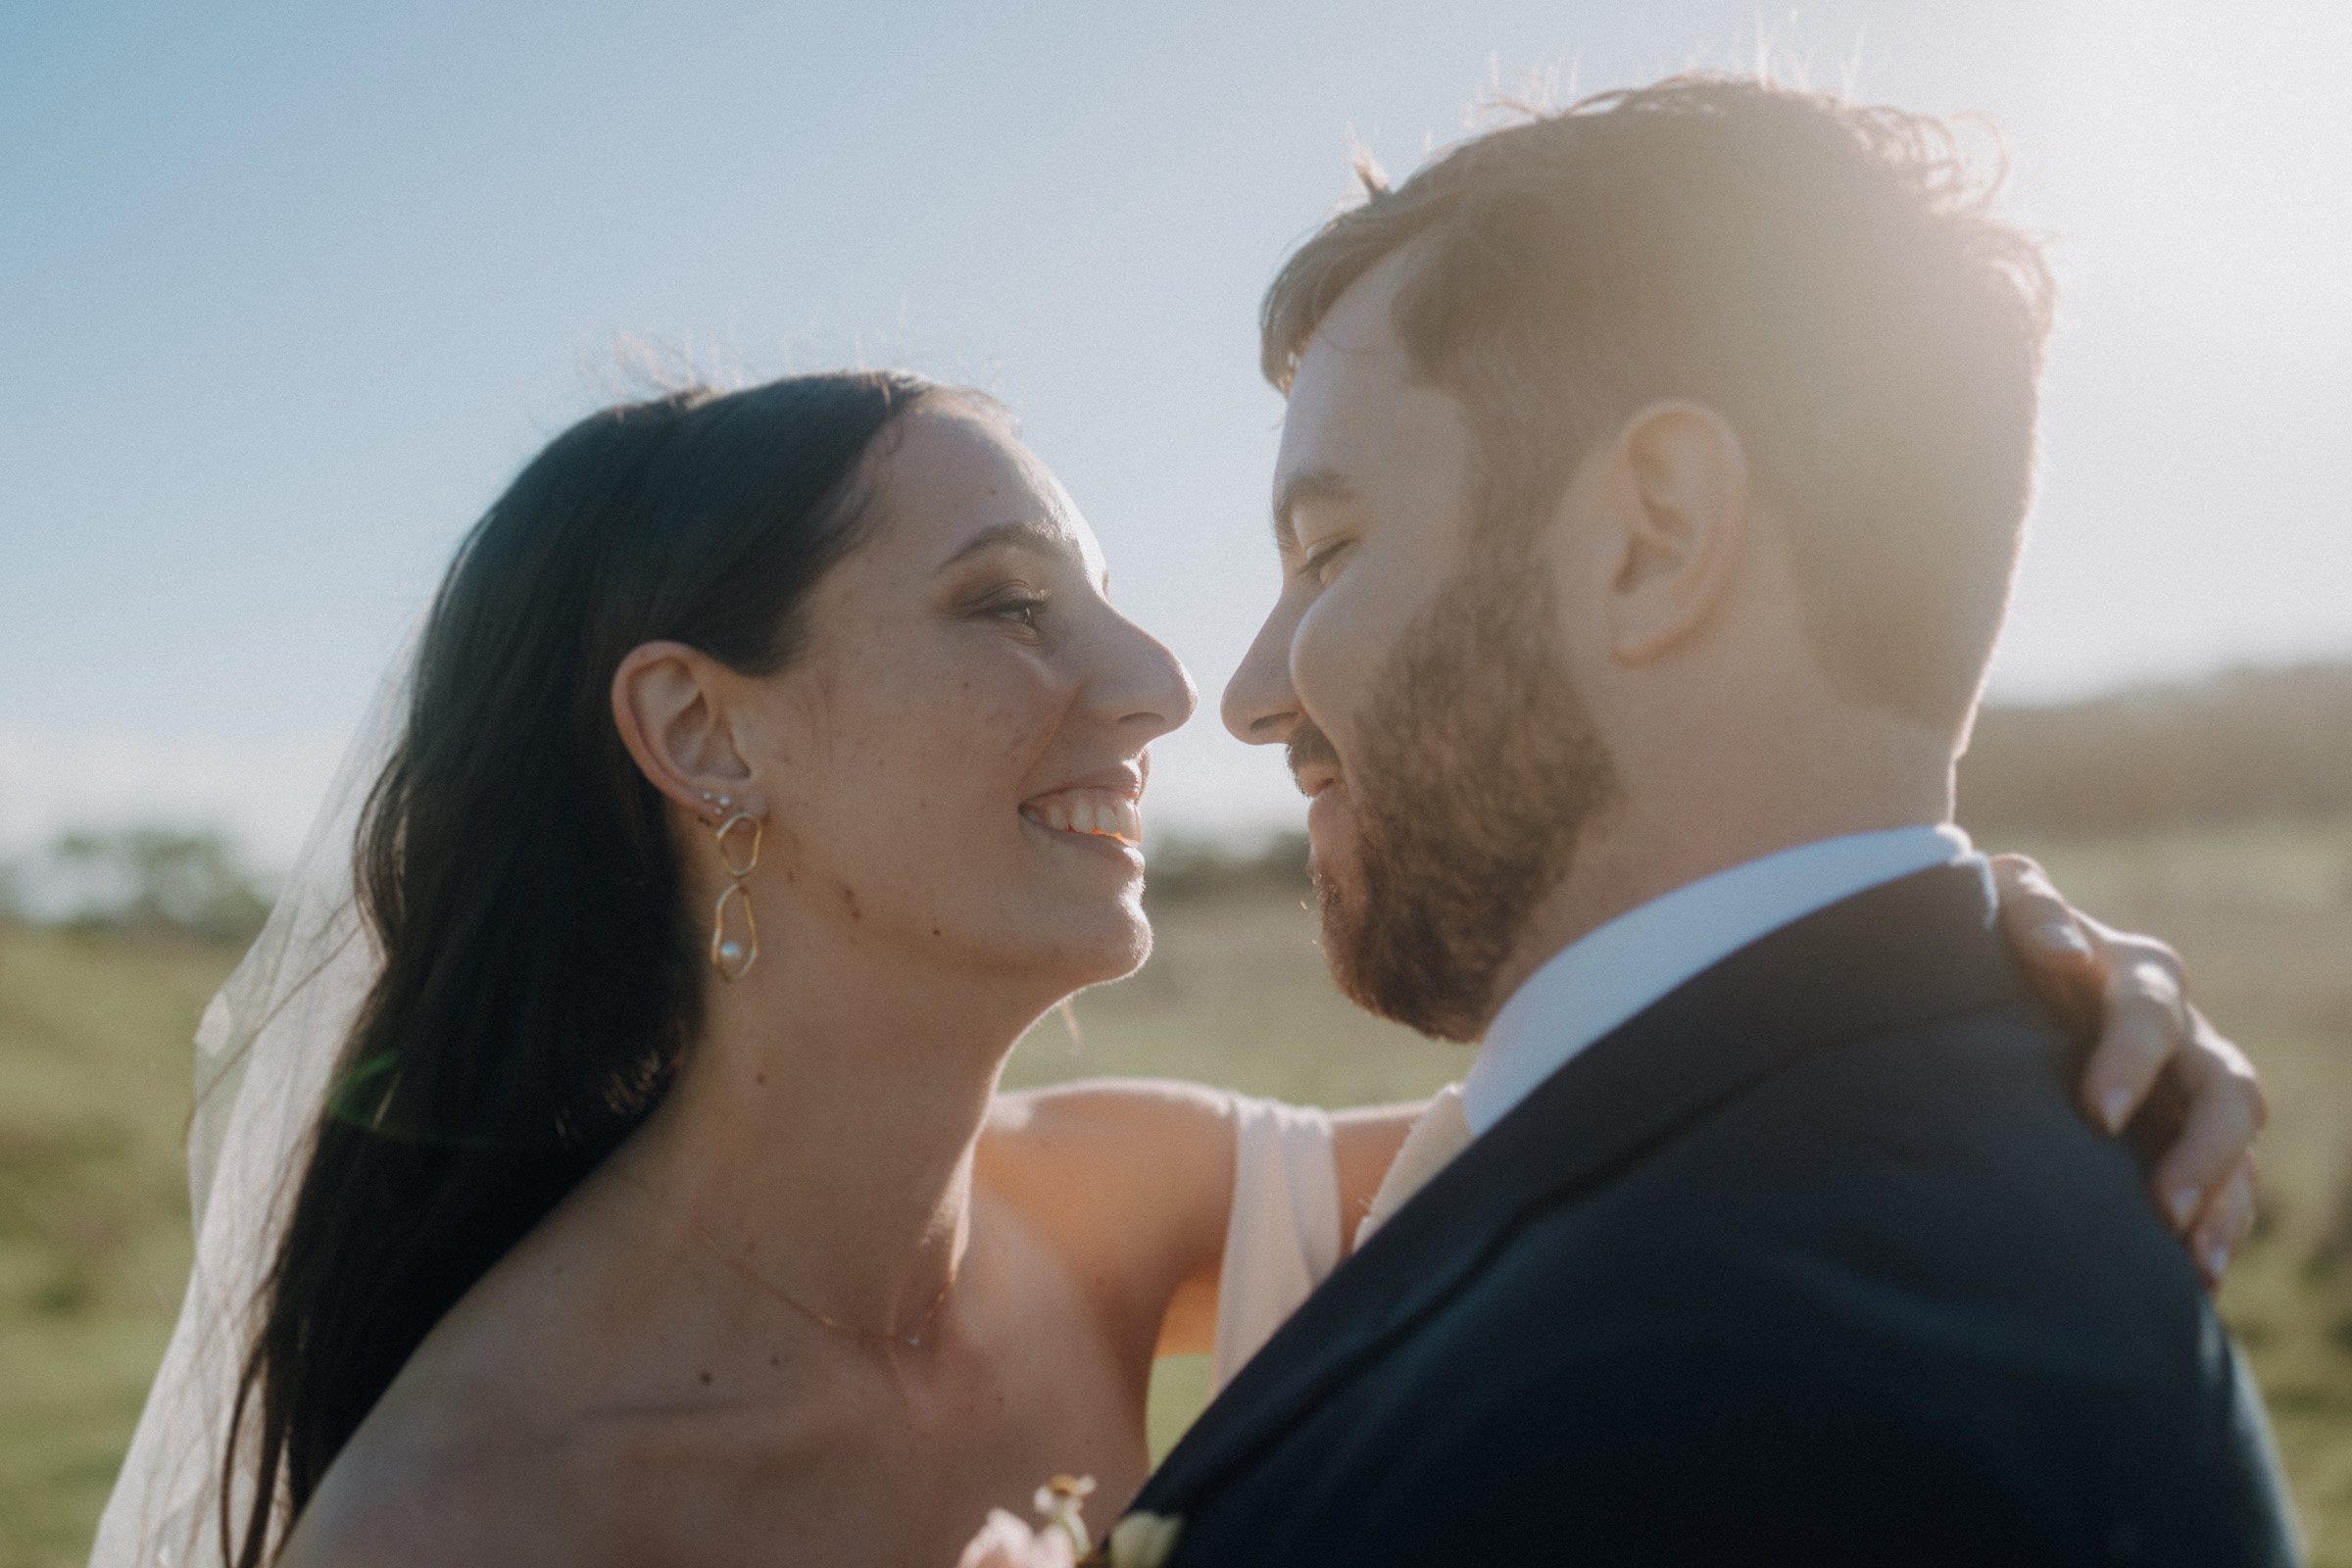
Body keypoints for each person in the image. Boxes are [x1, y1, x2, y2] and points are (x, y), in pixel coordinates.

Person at [97, 301, 2257, 1568]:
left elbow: (1691, 1090)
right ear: (699, 731)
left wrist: (1979, 951)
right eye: (1007, 606)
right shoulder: (462, 1523)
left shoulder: (1129, 1201)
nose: (1157, 682)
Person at [1104, 75, 2300, 1565]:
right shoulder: (1956, 1128)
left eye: (1331, 552)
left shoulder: (1686, 1422)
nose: (1250, 694)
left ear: (1655, 536)